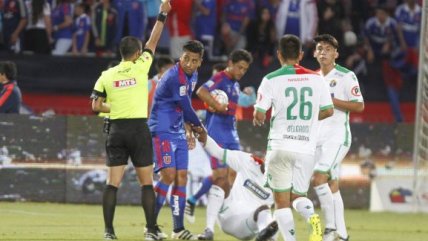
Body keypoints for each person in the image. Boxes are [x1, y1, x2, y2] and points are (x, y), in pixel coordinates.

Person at [90, 1, 171, 240]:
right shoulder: (141, 67)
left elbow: (95, 106)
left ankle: (109, 232)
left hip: (115, 129)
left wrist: (113, 107)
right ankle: (151, 230)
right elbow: (153, 41)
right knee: (146, 183)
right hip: (137, 129)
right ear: (137, 54)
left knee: (112, 184)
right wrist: (162, 15)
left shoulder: (106, 74)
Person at [253, 34, 334, 241]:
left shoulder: (270, 79)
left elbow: (260, 114)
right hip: (306, 148)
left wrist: (259, 117)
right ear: (300, 55)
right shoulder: (317, 79)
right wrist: (306, 121)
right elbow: (328, 110)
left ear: (278, 54)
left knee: (281, 201)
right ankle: (312, 217)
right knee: (299, 196)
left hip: (280, 146)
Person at [188, 49, 253, 240]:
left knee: (233, 176)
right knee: (219, 177)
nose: (242, 71)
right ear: (230, 63)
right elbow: (201, 91)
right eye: (239, 67)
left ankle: (219, 212)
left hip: (231, 134)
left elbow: (245, 102)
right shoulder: (221, 77)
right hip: (217, 134)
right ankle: (209, 228)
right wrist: (216, 105)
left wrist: (251, 94)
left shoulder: (234, 83)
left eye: (245, 69)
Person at [148, 40, 204, 240]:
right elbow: (187, 107)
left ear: (200, 62)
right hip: (162, 129)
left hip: (177, 129)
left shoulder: (193, 74)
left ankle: (178, 229)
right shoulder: (175, 76)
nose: (189, 63)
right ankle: (150, 226)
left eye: (194, 60)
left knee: (182, 178)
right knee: (168, 176)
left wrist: (189, 130)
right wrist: (200, 129)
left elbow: (182, 107)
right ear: (181, 56)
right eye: (186, 58)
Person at [312, 34, 364, 241]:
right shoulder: (313, 78)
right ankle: (342, 235)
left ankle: (330, 231)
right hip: (317, 138)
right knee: (332, 184)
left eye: (327, 48)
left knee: (319, 177)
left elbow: (359, 106)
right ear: (315, 54)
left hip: (337, 137)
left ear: (336, 54)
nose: (323, 51)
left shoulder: (346, 75)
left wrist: (331, 101)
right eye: (319, 48)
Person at [191, 125, 278, 241]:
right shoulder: (248, 161)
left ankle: (264, 236)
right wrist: (202, 134)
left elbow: (278, 215)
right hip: (226, 214)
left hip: (247, 225)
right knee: (222, 181)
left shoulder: (279, 185)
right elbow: (218, 151)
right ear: (266, 154)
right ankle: (209, 230)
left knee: (265, 211)